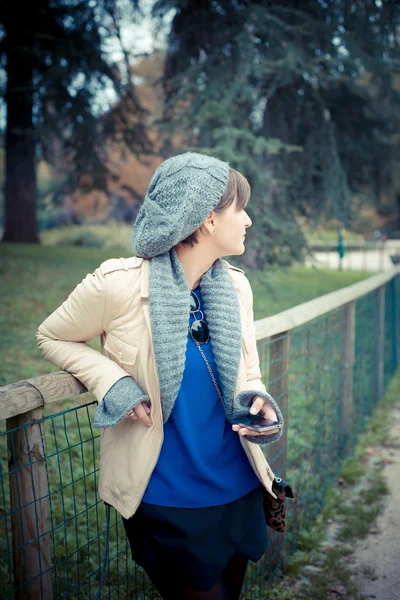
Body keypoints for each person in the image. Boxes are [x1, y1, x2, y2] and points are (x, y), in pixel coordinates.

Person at [36, 152, 284, 600]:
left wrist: (259, 400)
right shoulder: (118, 286)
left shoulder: (235, 287)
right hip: (168, 498)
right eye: (239, 209)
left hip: (238, 486)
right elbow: (52, 336)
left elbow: (249, 369)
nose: (247, 220)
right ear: (208, 219)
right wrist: (113, 383)